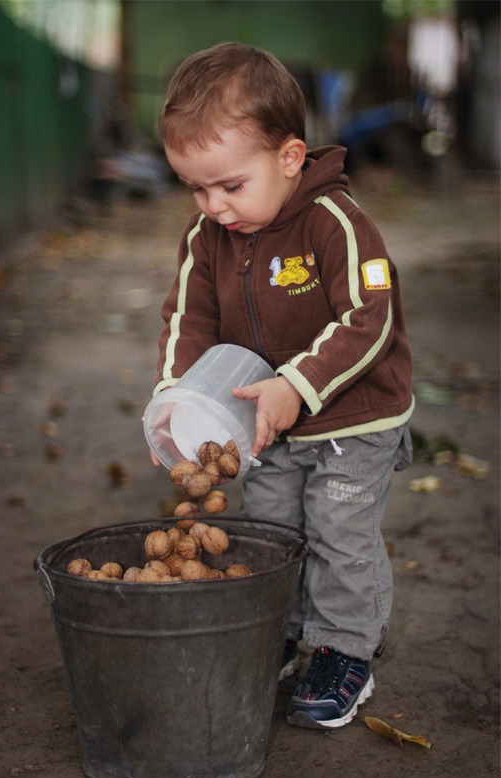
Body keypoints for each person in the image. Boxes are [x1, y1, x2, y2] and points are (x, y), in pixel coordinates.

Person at [152, 42, 414, 730]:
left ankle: (343, 652)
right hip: (267, 422)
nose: (213, 206)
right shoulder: (207, 236)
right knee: (271, 531)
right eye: (196, 188)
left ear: (290, 157)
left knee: (338, 534)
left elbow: (371, 313)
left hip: (354, 419)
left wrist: (297, 382)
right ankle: (289, 633)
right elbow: (189, 316)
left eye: (230, 186)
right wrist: (174, 394)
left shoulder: (336, 223)